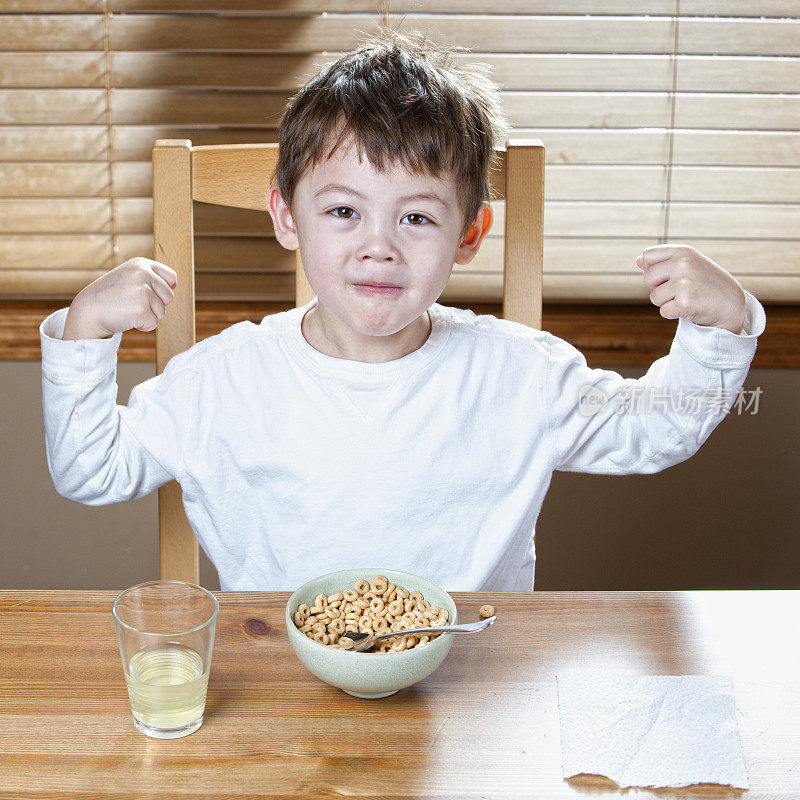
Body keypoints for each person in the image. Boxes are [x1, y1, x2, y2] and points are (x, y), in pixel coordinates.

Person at [40, 27, 766, 591]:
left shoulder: (519, 373)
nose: (379, 247)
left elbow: (659, 429)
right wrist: (83, 331)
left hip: (475, 691)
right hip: (277, 692)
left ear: (470, 235)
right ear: (287, 219)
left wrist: (722, 326)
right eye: (344, 211)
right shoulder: (226, 379)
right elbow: (91, 469)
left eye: (417, 219)